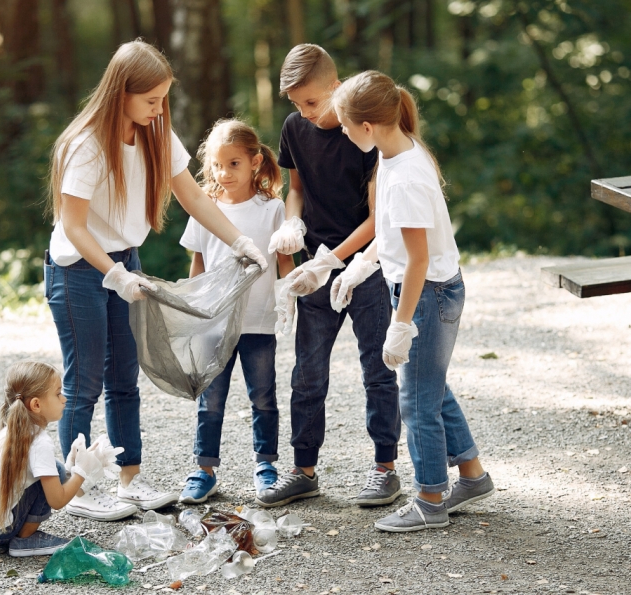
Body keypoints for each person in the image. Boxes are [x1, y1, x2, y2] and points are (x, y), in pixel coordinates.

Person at [45, 40, 268, 521]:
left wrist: (238, 241)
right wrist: (114, 274)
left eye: (163, 99)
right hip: (78, 269)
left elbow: (193, 197)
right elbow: (74, 227)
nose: (158, 109)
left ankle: (130, 482)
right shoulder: (83, 145)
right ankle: (73, 488)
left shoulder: (155, 133)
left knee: (125, 378)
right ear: (120, 93)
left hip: (125, 259)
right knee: (84, 382)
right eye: (150, 100)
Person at [330, 70, 494, 532]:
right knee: (431, 387)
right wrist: (359, 266)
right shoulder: (395, 154)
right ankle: (473, 476)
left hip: (427, 294)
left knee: (416, 402)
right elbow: (391, 234)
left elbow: (418, 260)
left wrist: (401, 325)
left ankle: (430, 500)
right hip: (429, 287)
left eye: (344, 125)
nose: (342, 132)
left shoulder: (404, 176)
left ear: (366, 126)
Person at [256, 44, 401, 509]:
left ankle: (385, 469)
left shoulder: (365, 133)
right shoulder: (295, 128)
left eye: (312, 103)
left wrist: (332, 261)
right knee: (307, 374)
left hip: (365, 268)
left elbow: (379, 218)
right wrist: (291, 224)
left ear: (336, 88)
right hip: (314, 270)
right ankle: (303, 471)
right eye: (296, 105)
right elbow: (294, 189)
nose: (305, 113)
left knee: (377, 370)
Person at [176, 119, 296, 504]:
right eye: (216, 165)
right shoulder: (204, 209)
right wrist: (193, 309)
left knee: (263, 397)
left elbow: (285, 263)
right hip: (215, 325)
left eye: (233, 164)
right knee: (210, 401)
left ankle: (266, 466)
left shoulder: (272, 210)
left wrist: (288, 299)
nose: (223, 173)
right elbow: (197, 265)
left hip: (259, 323)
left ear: (255, 162)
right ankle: (204, 470)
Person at [0, 361, 120, 556]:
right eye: (58, 393)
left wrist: (74, 468)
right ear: (36, 404)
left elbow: (54, 479)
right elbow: (57, 500)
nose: (64, 399)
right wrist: (82, 472)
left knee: (55, 469)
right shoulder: (38, 441)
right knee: (53, 472)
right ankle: (25, 540)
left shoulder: (13, 430)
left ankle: (20, 534)